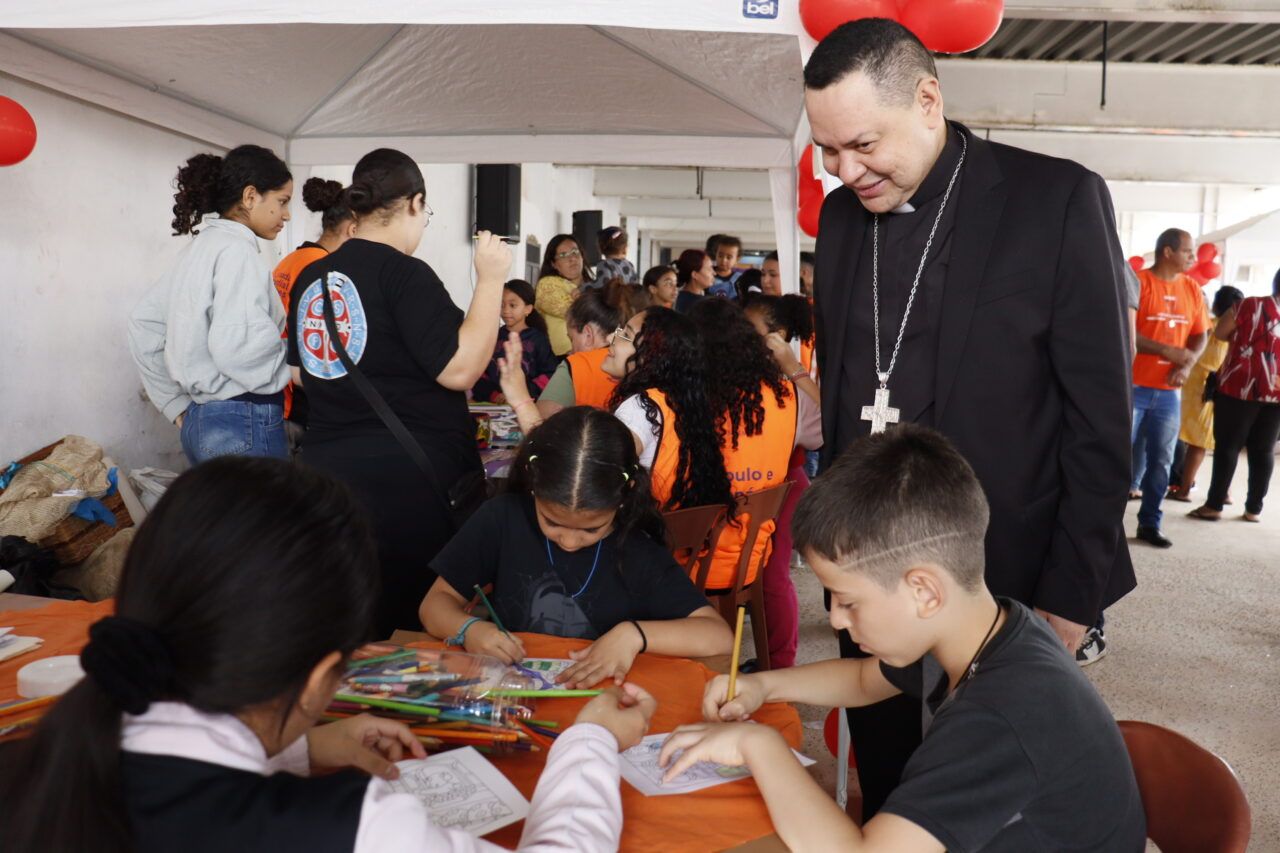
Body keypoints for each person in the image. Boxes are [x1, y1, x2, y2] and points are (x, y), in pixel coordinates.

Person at [806, 20, 1134, 817]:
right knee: (889, 776)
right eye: (828, 151)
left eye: (863, 144)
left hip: (1004, 565)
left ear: (927, 100)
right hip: (874, 570)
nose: (846, 172)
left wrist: (1071, 592)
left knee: (992, 794)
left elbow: (1099, 420)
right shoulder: (842, 219)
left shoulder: (1055, 200)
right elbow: (847, 382)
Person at [0, 456, 658, 853]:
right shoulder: (353, 828)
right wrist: (590, 741)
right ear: (322, 678)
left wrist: (301, 748)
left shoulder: (37, 757)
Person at [663, 425, 1145, 852]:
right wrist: (763, 686)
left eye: (847, 601)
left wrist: (759, 745)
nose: (835, 620)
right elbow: (863, 680)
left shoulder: (1000, 715)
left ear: (924, 592)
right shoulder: (981, 629)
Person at [287, 148, 511, 637]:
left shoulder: (311, 277)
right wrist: (491, 280)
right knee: (410, 634)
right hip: (408, 489)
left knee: (347, 621)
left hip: (327, 481)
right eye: (425, 213)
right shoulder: (405, 274)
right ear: (414, 203)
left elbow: (302, 372)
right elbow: (460, 370)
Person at [421, 407, 734, 686]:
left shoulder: (635, 546)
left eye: (591, 529)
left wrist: (634, 634)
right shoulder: (502, 518)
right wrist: (469, 629)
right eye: (552, 522)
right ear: (534, 486)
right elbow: (434, 604)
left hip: (599, 709)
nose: (569, 542)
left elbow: (719, 637)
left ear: (622, 498)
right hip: (513, 696)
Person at [128, 144, 294, 464]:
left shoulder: (200, 248)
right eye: (282, 201)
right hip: (244, 419)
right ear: (250, 197)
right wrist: (295, 368)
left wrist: (175, 404)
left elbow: (143, 324)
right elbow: (239, 346)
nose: (286, 214)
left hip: (202, 421)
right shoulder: (237, 252)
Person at [689, 299, 822, 670]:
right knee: (768, 578)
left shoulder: (691, 396)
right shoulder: (782, 393)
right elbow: (817, 433)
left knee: (765, 578)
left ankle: (757, 662)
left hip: (741, 504)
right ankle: (775, 663)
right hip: (775, 491)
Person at [606, 308, 735, 512]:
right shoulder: (679, 401)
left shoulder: (640, 408)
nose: (610, 338)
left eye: (626, 335)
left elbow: (602, 479)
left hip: (644, 525)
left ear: (651, 356)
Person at [1130, 229, 1208, 548]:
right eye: (1188, 251)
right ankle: (1103, 526)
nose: (1193, 258)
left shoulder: (1192, 288)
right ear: (1167, 252)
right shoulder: (1138, 282)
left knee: (1162, 461)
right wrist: (1166, 350)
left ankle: (1150, 523)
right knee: (1114, 459)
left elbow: (1201, 334)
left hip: (1167, 393)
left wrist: (1187, 364)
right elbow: (1123, 330)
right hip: (1132, 387)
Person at [1190, 270, 1280, 523]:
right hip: (1276, 390)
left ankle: (1214, 505)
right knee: (1263, 450)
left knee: (1228, 447)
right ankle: (1253, 510)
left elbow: (1220, 333)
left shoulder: (1248, 305)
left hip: (1239, 385)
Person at [272, 177, 358, 438]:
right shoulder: (326, 271)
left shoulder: (291, 261)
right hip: (303, 407)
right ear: (353, 230)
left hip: (279, 396)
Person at [1168, 285, 1244, 502]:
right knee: (1224, 442)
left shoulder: (1208, 325)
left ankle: (1184, 489)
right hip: (1223, 386)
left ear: (1217, 305)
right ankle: (1224, 491)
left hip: (1199, 387)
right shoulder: (1238, 331)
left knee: (1196, 442)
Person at [536, 283, 629, 419]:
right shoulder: (635, 362)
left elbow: (541, 420)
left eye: (571, 338)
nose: (570, 350)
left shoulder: (577, 365)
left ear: (588, 335)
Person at [471, 280, 558, 404]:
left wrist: (521, 393)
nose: (506, 310)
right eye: (502, 305)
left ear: (528, 309)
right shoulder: (493, 337)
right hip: (494, 405)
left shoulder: (538, 339)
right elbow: (479, 373)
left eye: (512, 305)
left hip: (526, 404)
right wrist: (494, 395)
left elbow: (550, 374)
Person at [536, 235, 593, 356]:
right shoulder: (547, 285)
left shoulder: (594, 286)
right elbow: (575, 312)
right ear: (553, 264)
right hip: (561, 359)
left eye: (575, 252)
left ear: (582, 255)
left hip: (597, 356)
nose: (572, 258)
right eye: (563, 255)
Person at [673, 249, 714, 314]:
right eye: (709, 269)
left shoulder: (676, 298)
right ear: (695, 275)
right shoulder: (701, 304)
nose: (714, 273)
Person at [707, 235, 744, 299]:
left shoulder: (740, 279)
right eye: (720, 256)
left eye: (729, 257)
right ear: (716, 254)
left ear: (737, 259)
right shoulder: (707, 274)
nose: (724, 260)